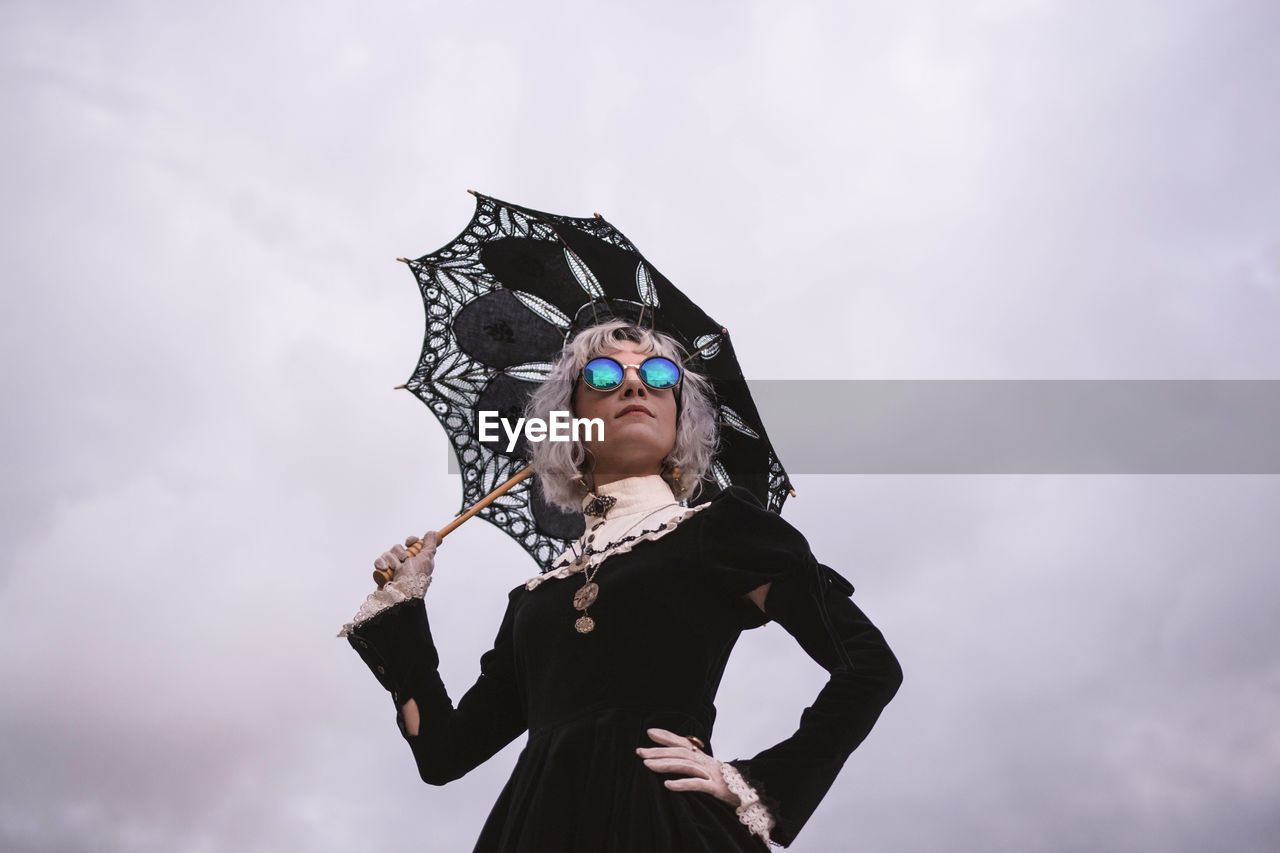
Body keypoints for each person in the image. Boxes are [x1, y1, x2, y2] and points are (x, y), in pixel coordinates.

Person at [339, 320, 903, 851]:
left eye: (660, 376)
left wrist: (756, 783)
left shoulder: (723, 529)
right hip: (536, 828)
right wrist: (403, 607)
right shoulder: (538, 596)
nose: (635, 382)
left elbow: (868, 667)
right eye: (604, 376)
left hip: (666, 822)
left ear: (679, 415)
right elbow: (445, 754)